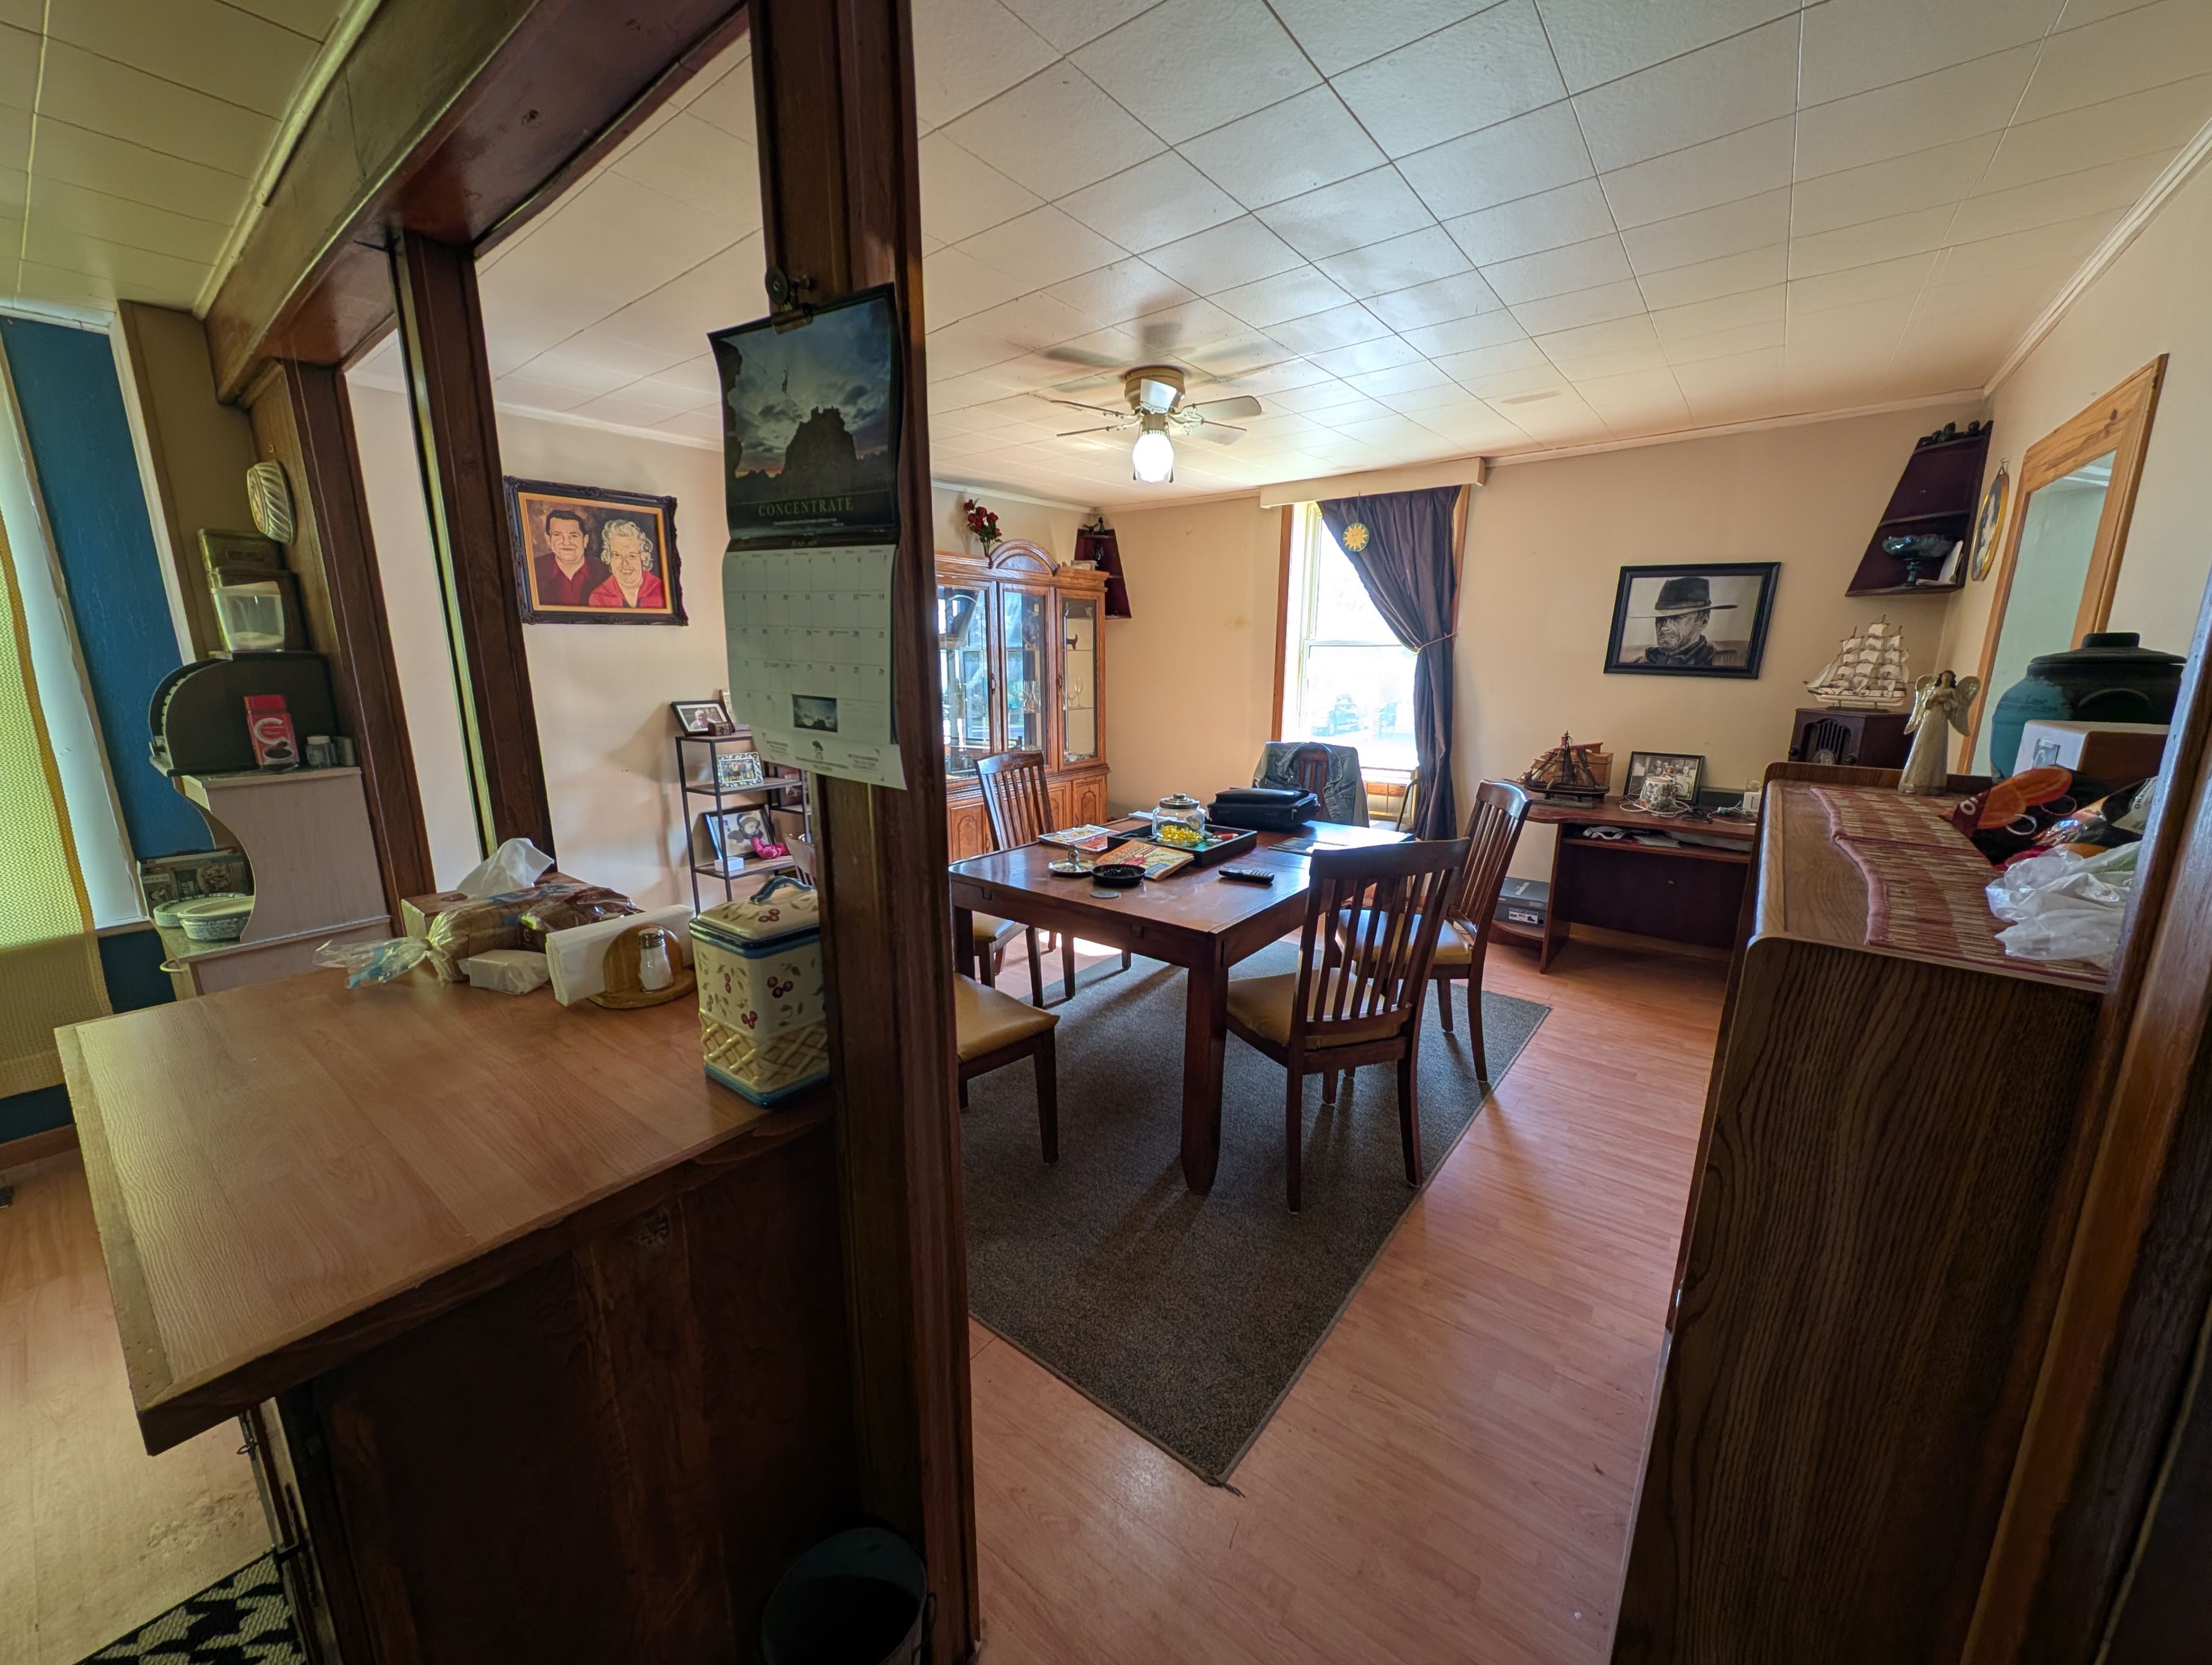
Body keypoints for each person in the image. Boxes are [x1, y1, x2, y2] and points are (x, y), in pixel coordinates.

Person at [1635, 575, 1742, 668]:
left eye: (1677, 617)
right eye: (1660, 619)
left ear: (1704, 620)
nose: (1665, 627)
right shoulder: (1641, 663)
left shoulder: (1725, 662)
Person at [587, 518, 667, 610]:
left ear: (643, 557)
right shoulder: (599, 597)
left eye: (631, 556)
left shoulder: (662, 590)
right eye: (617, 555)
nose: (624, 563)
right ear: (608, 557)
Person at [532, 507, 605, 606]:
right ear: (548, 539)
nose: (566, 542)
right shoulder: (534, 569)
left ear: (585, 540)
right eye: (558, 535)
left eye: (573, 536)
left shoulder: (605, 572)